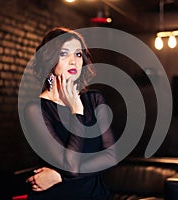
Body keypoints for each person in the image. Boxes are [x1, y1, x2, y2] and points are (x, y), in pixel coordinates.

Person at [23, 27, 117, 200]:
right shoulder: (35, 109)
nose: (74, 61)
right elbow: (70, 166)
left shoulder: (94, 99)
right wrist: (76, 112)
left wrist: (59, 176)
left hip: (95, 195)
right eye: (64, 53)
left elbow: (111, 156)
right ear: (49, 60)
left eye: (78, 54)